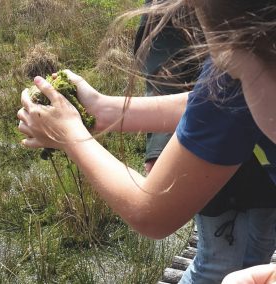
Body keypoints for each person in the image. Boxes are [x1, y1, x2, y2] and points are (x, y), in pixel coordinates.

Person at [17, 0, 276, 282]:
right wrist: (106, 111)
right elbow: (222, 103)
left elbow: (149, 213)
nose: (226, 80)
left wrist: (71, 137)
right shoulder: (248, 68)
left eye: (235, 72)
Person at [133, 2, 276, 282]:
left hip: (257, 178)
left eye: (239, 76)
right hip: (207, 166)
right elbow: (168, 75)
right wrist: (157, 148)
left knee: (255, 248)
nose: (234, 85)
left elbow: (149, 215)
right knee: (217, 259)